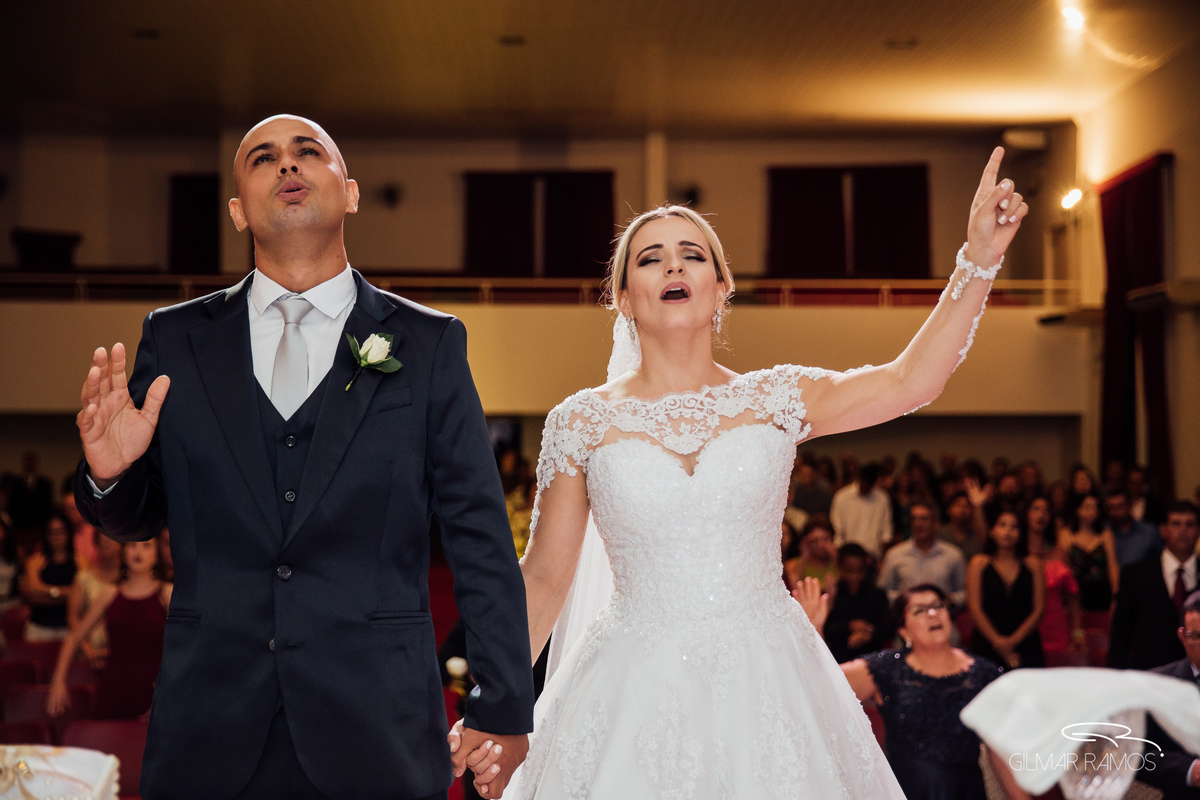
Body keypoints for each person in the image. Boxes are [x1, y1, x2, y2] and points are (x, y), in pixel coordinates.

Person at [450, 148, 1030, 797]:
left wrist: (977, 259)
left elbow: (910, 380)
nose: (673, 264)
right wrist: (491, 703)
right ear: (623, 298)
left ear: (721, 287)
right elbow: (547, 578)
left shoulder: (777, 400)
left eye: (693, 254)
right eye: (650, 256)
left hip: (771, 678)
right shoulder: (581, 422)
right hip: (632, 682)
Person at [72, 115, 533, 800]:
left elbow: (481, 540)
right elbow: (137, 519)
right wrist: (111, 475)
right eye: (263, 158)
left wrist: (502, 708)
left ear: (348, 192)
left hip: (379, 728)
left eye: (307, 152)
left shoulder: (430, 344)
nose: (286, 165)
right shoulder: (174, 341)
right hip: (210, 729)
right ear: (237, 211)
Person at [839, 584, 1017, 800]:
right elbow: (820, 685)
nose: (933, 613)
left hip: (965, 790)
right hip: (905, 790)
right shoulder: (885, 669)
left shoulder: (983, 674)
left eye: (937, 606)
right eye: (919, 610)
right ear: (903, 630)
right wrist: (812, 629)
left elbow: (1000, 752)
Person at [48, 538, 172, 719]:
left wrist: (168, 686)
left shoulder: (167, 592)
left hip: (155, 686)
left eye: (146, 546)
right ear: (123, 551)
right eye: (132, 544)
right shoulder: (110, 593)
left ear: (156, 554)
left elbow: (187, 644)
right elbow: (74, 637)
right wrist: (58, 681)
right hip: (115, 685)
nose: (138, 551)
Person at [1109, 501, 1200, 670]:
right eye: (1176, 524)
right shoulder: (1135, 574)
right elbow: (1120, 634)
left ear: (1198, 531)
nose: (1183, 530)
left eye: (1190, 524)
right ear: (1163, 530)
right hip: (1150, 673)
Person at [1139, 590, 1200, 799]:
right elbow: (1138, 755)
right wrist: (1191, 770)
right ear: (1182, 637)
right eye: (1197, 636)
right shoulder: (1156, 686)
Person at [966, 510, 1045, 669]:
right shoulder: (979, 563)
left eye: (1014, 527)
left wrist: (1013, 641)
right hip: (987, 641)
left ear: (1021, 533)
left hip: (1025, 641)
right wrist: (1000, 644)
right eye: (1002, 525)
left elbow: (1039, 609)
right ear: (991, 531)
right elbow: (974, 608)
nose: (1007, 531)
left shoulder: (1033, 564)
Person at [1060, 492, 1118, 664]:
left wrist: (1116, 596)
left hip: (1102, 596)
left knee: (1104, 647)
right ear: (1077, 510)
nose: (1092, 511)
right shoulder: (1066, 534)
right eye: (1087, 507)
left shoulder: (1105, 533)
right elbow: (1065, 570)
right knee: (1080, 648)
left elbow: (1112, 566)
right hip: (1078, 598)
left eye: (1095, 507)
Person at [1026, 496, 1084, 664]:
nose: (1041, 515)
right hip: (1027, 629)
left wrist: (1078, 632)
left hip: (1058, 628)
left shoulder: (1059, 553)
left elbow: (1073, 597)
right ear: (1026, 514)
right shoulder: (1017, 555)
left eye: (1046, 511)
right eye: (1036, 509)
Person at [878, 499, 966, 608]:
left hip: (941, 617)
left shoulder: (953, 555)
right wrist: (903, 598)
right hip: (907, 618)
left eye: (923, 519)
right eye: (914, 519)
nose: (918, 524)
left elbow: (965, 592)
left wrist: (951, 599)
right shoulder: (894, 554)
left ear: (936, 523)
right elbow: (882, 592)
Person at [824, 543, 893, 663]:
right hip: (838, 661)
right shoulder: (831, 595)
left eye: (860, 571)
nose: (855, 576)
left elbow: (889, 628)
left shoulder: (877, 595)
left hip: (873, 660)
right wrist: (849, 626)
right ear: (839, 568)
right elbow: (825, 629)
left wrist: (869, 635)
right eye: (850, 571)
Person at [21, 511, 81, 641]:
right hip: (39, 627)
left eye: (60, 532)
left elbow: (82, 595)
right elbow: (33, 593)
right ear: (45, 535)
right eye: (51, 532)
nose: (56, 537)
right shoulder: (34, 562)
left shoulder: (81, 561)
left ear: (68, 533)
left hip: (69, 628)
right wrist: (67, 594)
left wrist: (47, 592)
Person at [68, 528, 123, 669]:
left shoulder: (129, 580)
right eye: (100, 540)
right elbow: (73, 618)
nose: (105, 543)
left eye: (109, 539)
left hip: (123, 651)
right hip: (88, 650)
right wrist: (88, 649)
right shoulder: (84, 578)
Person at [830, 461, 893, 559]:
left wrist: (882, 557)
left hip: (873, 554)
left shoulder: (882, 498)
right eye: (865, 483)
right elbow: (837, 528)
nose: (866, 487)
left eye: (870, 485)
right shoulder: (842, 497)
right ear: (860, 479)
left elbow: (886, 531)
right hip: (847, 554)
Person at [1106, 488, 1162, 568]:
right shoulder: (1104, 532)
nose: (1116, 512)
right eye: (1111, 508)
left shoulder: (1149, 531)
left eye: (1120, 506)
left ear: (1129, 505)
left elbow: (1162, 560)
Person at [783, 514, 838, 592]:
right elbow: (792, 589)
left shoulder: (841, 564)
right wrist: (804, 556)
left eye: (825, 539)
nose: (820, 545)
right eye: (815, 540)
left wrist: (835, 557)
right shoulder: (792, 565)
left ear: (833, 539)